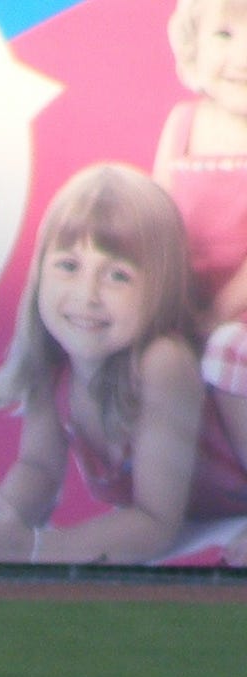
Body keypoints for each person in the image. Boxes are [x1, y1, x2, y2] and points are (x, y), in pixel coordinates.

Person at [0, 163, 247, 566]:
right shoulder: (53, 361)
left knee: (232, 352)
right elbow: (39, 468)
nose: (87, 294)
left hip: (223, 498)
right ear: (40, 272)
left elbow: (156, 523)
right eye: (68, 266)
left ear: (161, 287)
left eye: (117, 275)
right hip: (203, 515)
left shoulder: (161, 363)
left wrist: (34, 549)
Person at [154, 0, 247, 468]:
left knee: (231, 348)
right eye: (225, 35)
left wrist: (215, 315)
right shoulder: (183, 123)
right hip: (188, 300)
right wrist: (169, 304)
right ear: (193, 42)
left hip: (236, 308)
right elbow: (157, 220)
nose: (242, 56)